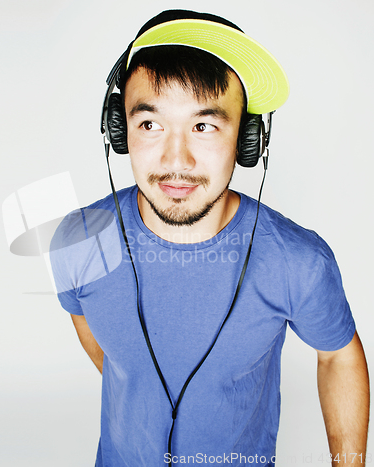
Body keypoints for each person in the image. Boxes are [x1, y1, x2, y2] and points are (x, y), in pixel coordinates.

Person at [49, 9, 369, 466]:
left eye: (204, 126)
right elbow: (98, 340)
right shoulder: (77, 241)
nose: (175, 158)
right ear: (119, 132)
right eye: (150, 124)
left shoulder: (298, 261)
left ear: (246, 139)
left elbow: (339, 358)